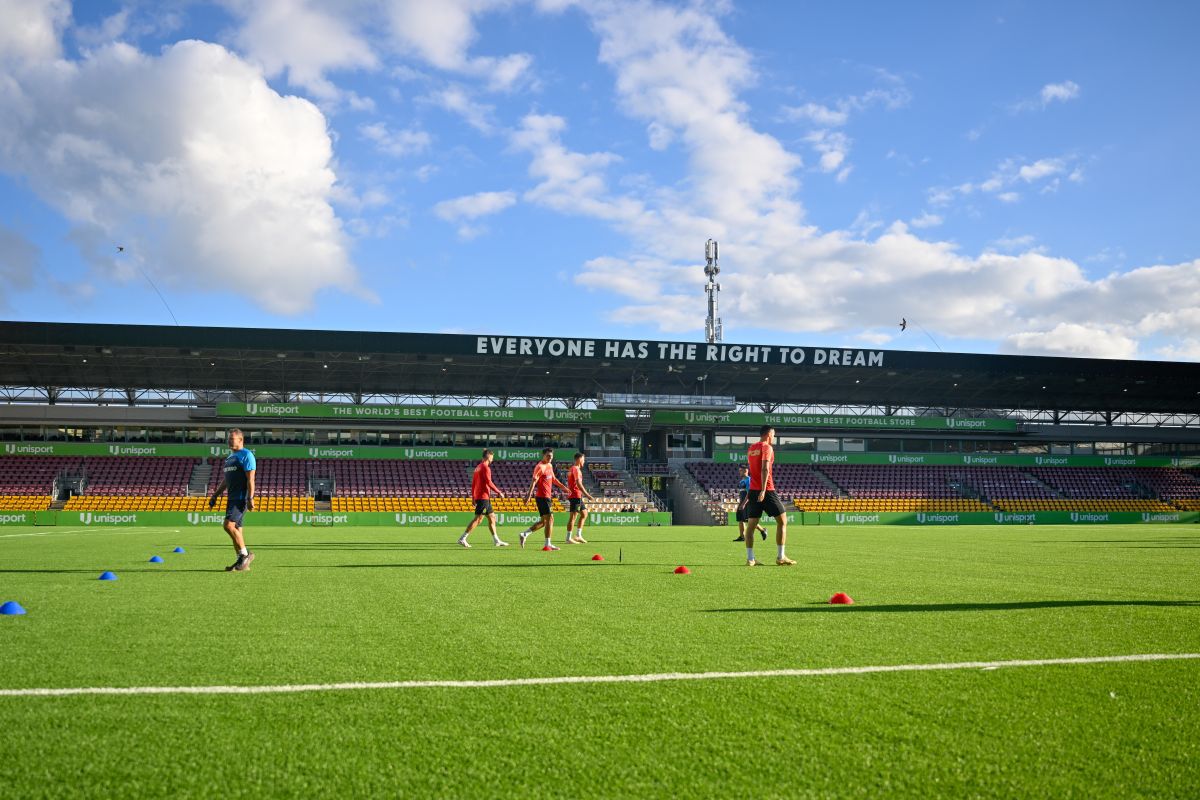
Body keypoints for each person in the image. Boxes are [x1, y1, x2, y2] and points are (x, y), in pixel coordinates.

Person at [743, 425, 794, 567]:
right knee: (782, 521)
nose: (774, 437)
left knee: (751, 526)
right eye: (774, 435)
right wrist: (764, 490)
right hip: (767, 490)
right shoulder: (767, 447)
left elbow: (753, 469)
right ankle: (780, 556)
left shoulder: (751, 448)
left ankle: (750, 559)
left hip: (753, 489)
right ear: (769, 434)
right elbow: (764, 468)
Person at [208, 428, 256, 572]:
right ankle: (241, 562)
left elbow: (250, 479)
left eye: (232, 439)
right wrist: (215, 495)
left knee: (228, 526)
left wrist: (250, 498)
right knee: (237, 531)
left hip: (240, 498)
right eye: (228, 439)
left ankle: (245, 555)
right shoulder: (229, 458)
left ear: (240, 440)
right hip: (232, 498)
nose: (229, 441)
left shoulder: (246, 455)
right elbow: (226, 481)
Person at [519, 447, 569, 550]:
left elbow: (554, 479)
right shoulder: (540, 467)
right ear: (543, 455)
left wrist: (563, 487)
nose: (550, 457)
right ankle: (548, 544)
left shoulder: (549, 465)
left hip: (546, 497)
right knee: (550, 519)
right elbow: (534, 482)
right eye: (548, 456)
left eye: (551, 456)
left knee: (544, 522)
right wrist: (528, 496)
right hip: (542, 497)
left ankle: (524, 534)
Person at [458, 449, 509, 548]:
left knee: (492, 517)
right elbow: (489, 482)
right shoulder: (485, 468)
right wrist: (499, 492)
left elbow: (473, 484)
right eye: (492, 457)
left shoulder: (477, 467)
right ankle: (462, 538)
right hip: (483, 497)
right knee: (478, 519)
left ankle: (496, 540)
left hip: (481, 497)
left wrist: (473, 497)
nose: (493, 459)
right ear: (488, 456)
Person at [564, 451, 597, 544]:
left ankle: (578, 535)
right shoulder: (576, 469)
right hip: (575, 495)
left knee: (584, 514)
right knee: (573, 517)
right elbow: (578, 484)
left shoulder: (573, 469)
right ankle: (568, 538)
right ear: (579, 459)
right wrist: (588, 495)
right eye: (583, 459)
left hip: (576, 495)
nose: (584, 461)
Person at [732, 464, 768, 542]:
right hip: (742, 502)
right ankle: (742, 536)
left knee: (749, 520)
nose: (739, 472)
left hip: (748, 503)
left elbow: (749, 493)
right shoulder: (742, 481)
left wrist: (744, 503)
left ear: (745, 470)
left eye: (740, 470)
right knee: (740, 519)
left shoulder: (749, 480)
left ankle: (762, 530)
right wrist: (740, 502)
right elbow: (742, 493)